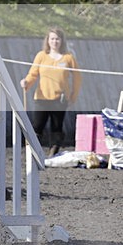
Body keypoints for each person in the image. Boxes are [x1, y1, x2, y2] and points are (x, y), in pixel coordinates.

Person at [20, 27, 82, 157]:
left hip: (60, 99)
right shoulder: (41, 56)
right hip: (42, 98)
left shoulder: (68, 58)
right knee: (37, 125)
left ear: (62, 41)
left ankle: (53, 153)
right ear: (48, 40)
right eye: (52, 39)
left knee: (56, 127)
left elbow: (77, 78)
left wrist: (73, 96)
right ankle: (33, 152)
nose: (55, 42)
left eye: (57, 39)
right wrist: (27, 82)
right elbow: (33, 74)